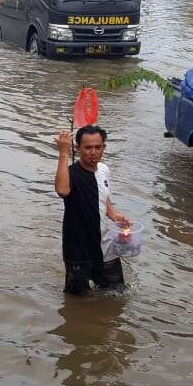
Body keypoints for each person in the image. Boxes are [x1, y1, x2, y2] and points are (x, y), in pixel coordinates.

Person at [54, 126, 129, 296]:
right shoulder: (70, 174)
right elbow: (62, 190)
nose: (93, 152)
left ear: (104, 147)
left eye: (98, 147)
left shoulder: (103, 169)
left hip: (106, 247)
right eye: (88, 148)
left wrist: (114, 215)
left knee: (118, 294)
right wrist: (63, 153)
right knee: (76, 299)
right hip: (78, 250)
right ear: (77, 148)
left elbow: (104, 197)